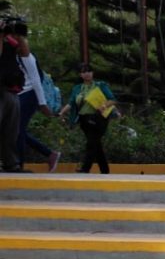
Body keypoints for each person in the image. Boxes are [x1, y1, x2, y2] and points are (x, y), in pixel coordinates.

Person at [60, 63, 118, 174]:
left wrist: (104, 105)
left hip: (99, 118)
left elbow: (112, 99)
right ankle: (105, 170)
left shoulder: (100, 85)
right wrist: (62, 112)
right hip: (84, 120)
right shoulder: (77, 88)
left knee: (91, 143)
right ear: (80, 75)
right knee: (96, 144)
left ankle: (85, 169)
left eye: (88, 71)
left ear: (92, 73)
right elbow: (71, 103)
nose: (86, 74)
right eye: (83, 72)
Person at [14, 43, 60, 171]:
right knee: (14, 130)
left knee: (18, 130)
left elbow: (36, 80)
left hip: (29, 94)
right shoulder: (8, 55)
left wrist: (42, 103)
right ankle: (50, 154)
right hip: (17, 95)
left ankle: (18, 165)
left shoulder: (26, 55)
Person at [0, 15, 28, 173]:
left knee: (11, 130)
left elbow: (25, 53)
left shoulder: (11, 39)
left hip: (11, 88)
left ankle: (10, 163)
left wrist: (20, 34)